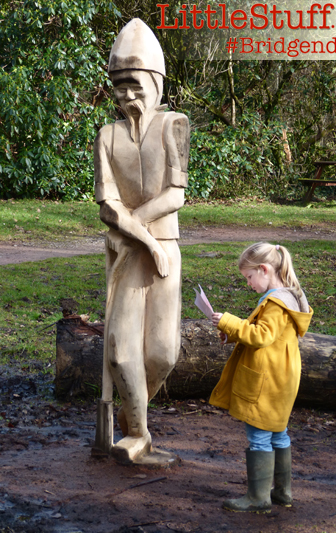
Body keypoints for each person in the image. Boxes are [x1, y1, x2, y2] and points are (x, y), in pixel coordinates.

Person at [93, 19, 190, 463]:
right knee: (120, 348)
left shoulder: (175, 125)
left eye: (133, 85)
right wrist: (137, 237)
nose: (126, 95)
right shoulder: (106, 137)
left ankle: (136, 416)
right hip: (128, 253)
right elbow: (107, 205)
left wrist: (143, 230)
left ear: (154, 81)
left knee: (162, 352)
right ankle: (139, 433)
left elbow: (175, 194)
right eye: (118, 87)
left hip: (163, 248)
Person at [209, 242, 313, 513]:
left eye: (249, 277)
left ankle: (259, 498)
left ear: (264, 269)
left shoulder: (276, 303)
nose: (248, 283)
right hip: (281, 376)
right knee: (279, 433)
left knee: (259, 435)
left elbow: (261, 336)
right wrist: (232, 333)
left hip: (267, 380)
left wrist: (229, 322)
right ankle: (282, 492)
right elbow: (266, 333)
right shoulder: (288, 296)